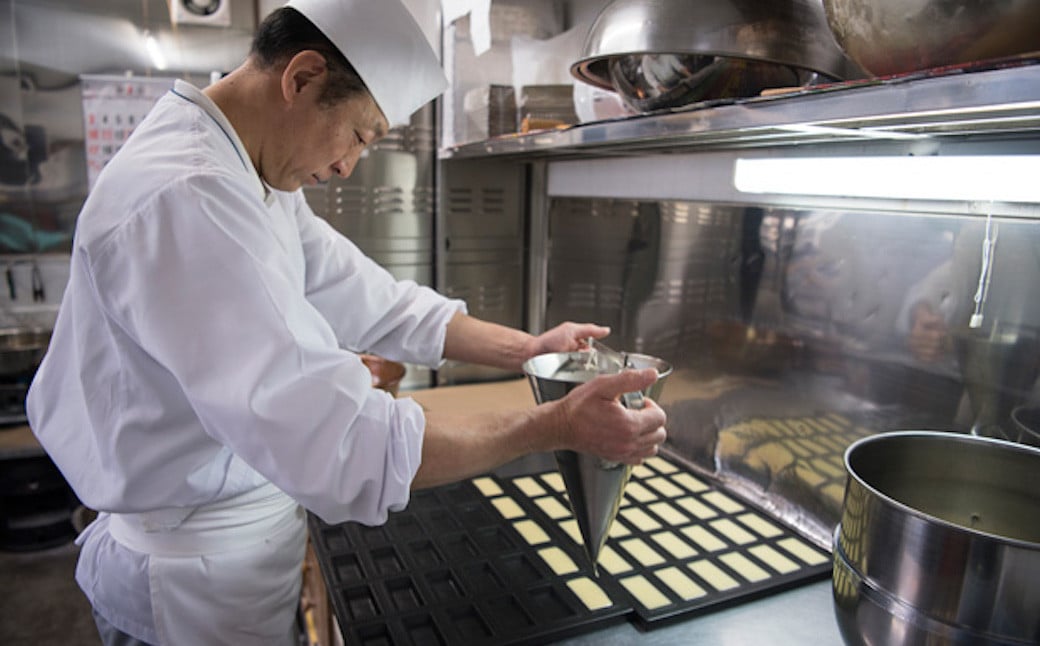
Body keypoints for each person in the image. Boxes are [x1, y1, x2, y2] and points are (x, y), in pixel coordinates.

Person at [25, 1, 668, 644]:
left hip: (238, 558)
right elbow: (342, 441)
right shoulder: (188, 196)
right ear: (301, 78)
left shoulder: (248, 172)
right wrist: (556, 423)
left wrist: (533, 350)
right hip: (186, 594)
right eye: (359, 136)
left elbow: (377, 301)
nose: (346, 169)